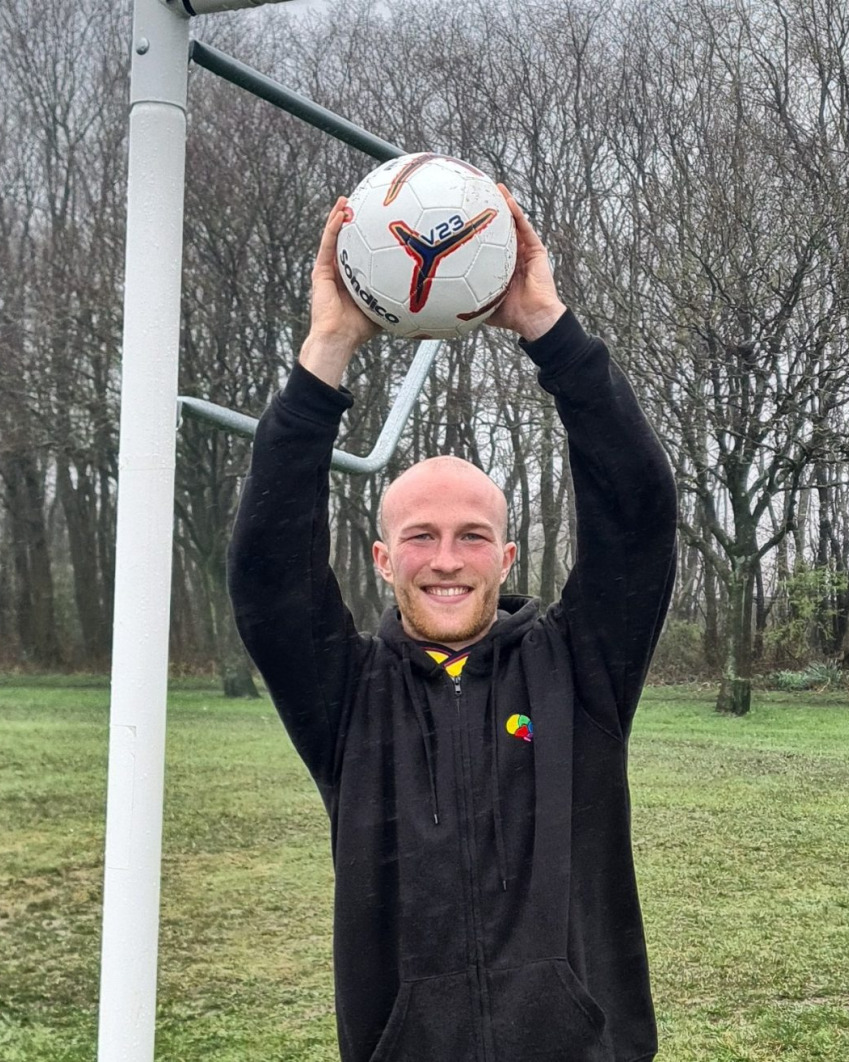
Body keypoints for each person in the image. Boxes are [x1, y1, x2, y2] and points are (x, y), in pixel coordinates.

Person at [228, 186, 676, 1062]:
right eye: (419, 537)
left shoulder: (579, 670)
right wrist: (329, 348)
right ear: (382, 560)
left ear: (506, 561)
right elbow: (268, 575)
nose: (445, 559)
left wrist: (545, 323)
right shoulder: (347, 699)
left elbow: (638, 514)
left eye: (473, 537)